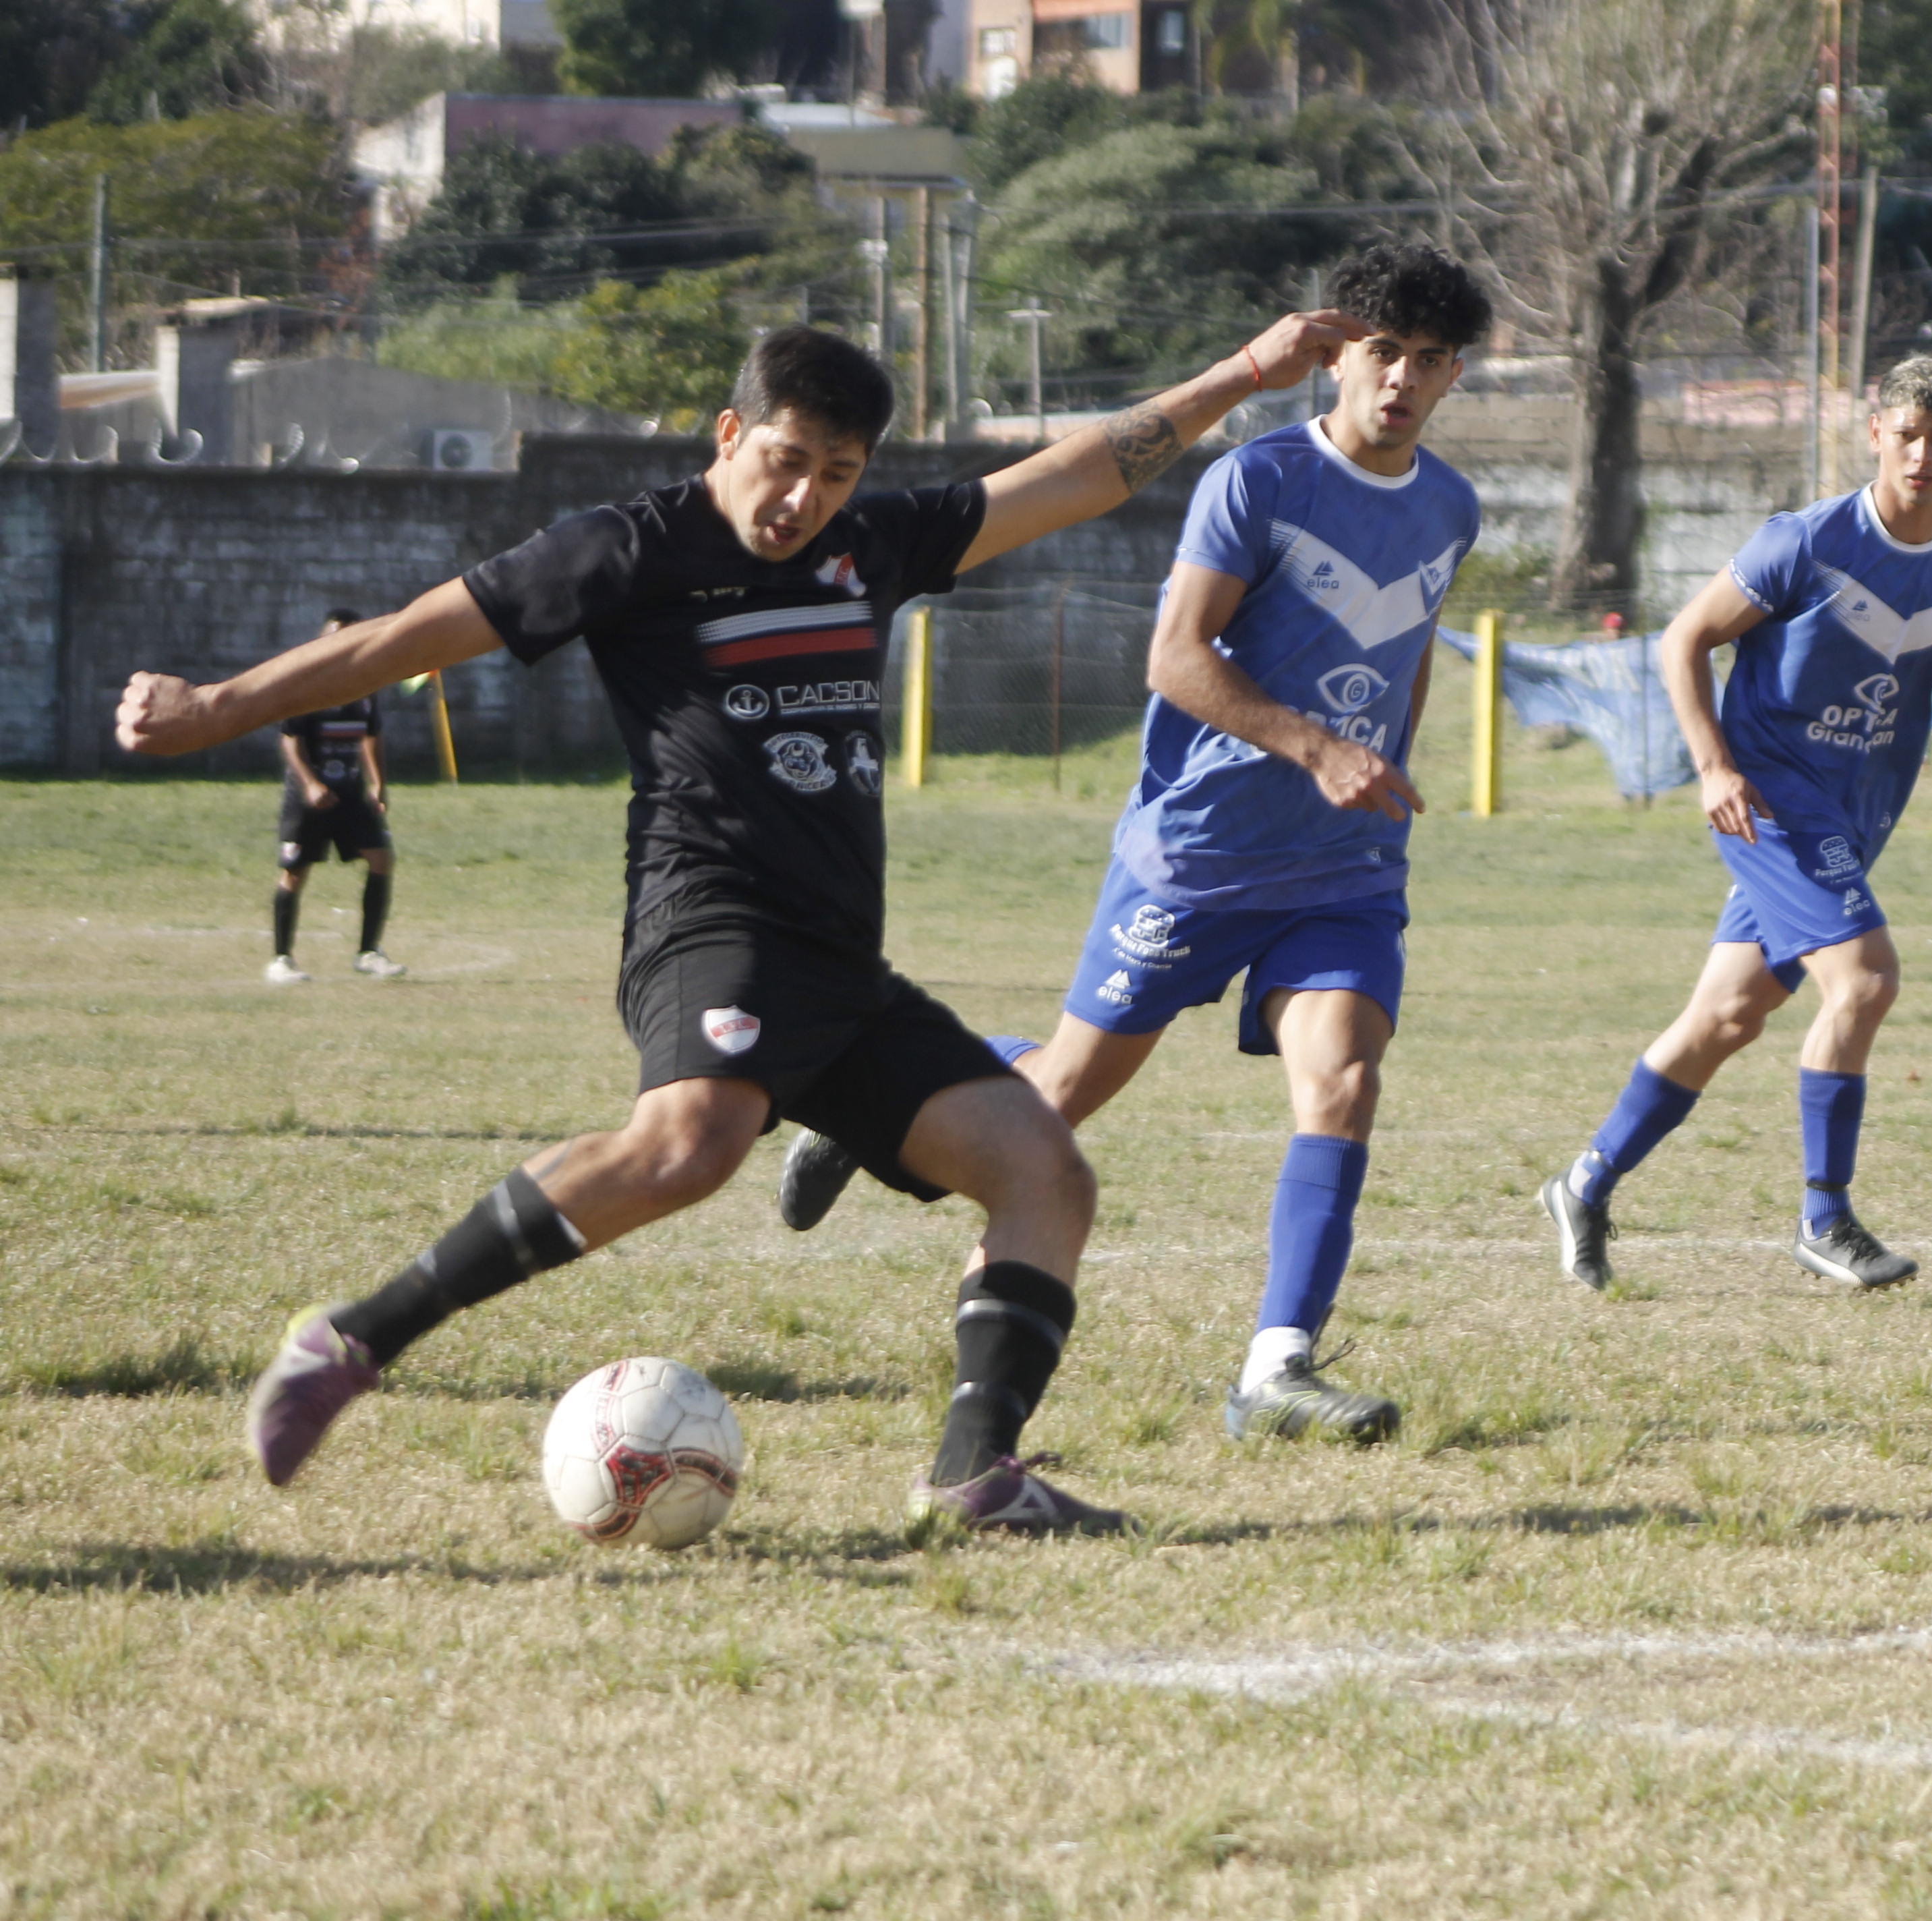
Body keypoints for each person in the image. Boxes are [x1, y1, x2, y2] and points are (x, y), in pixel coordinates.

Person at [115, 312, 1362, 1537]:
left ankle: (976, 1474)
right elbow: (402, 639)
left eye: (837, 472)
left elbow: (1078, 473)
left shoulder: (870, 545)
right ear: (729, 433)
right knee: (692, 1143)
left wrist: (1245, 374)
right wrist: (216, 706)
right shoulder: (627, 548)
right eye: (785, 460)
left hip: (838, 964)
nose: (803, 498)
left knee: (1042, 1173)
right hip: (707, 915)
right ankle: (352, 1341)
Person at [777, 243, 1490, 1446]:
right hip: (1200, 855)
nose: (1400, 381)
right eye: (1380, 353)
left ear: (1454, 372)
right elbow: (1174, 659)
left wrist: (1377, 774)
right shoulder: (1257, 483)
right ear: (1336, 354)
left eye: (1427, 362)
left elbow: (1410, 645)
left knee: (1345, 1080)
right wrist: (1316, 747)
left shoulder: (1451, 504)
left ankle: (1276, 1369)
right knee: (1056, 1099)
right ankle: (869, 1104)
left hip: (1340, 871)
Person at [1539, 354, 1932, 1293]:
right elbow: (1684, 638)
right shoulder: (1807, 541)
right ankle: (1824, 1216)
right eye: (1905, 434)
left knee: (1726, 1016)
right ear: (1874, 433)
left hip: (1857, 809)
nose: (1921, 453)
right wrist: (1713, 765)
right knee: (1866, 982)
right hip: (1769, 798)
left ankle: (1584, 1184)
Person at [268, 610, 403, 984]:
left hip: (350, 791)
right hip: (309, 796)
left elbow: (371, 734)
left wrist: (378, 783)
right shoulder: (309, 684)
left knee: (381, 859)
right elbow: (290, 740)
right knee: (294, 872)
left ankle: (368, 951)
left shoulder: (366, 683)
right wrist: (311, 784)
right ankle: (281, 959)